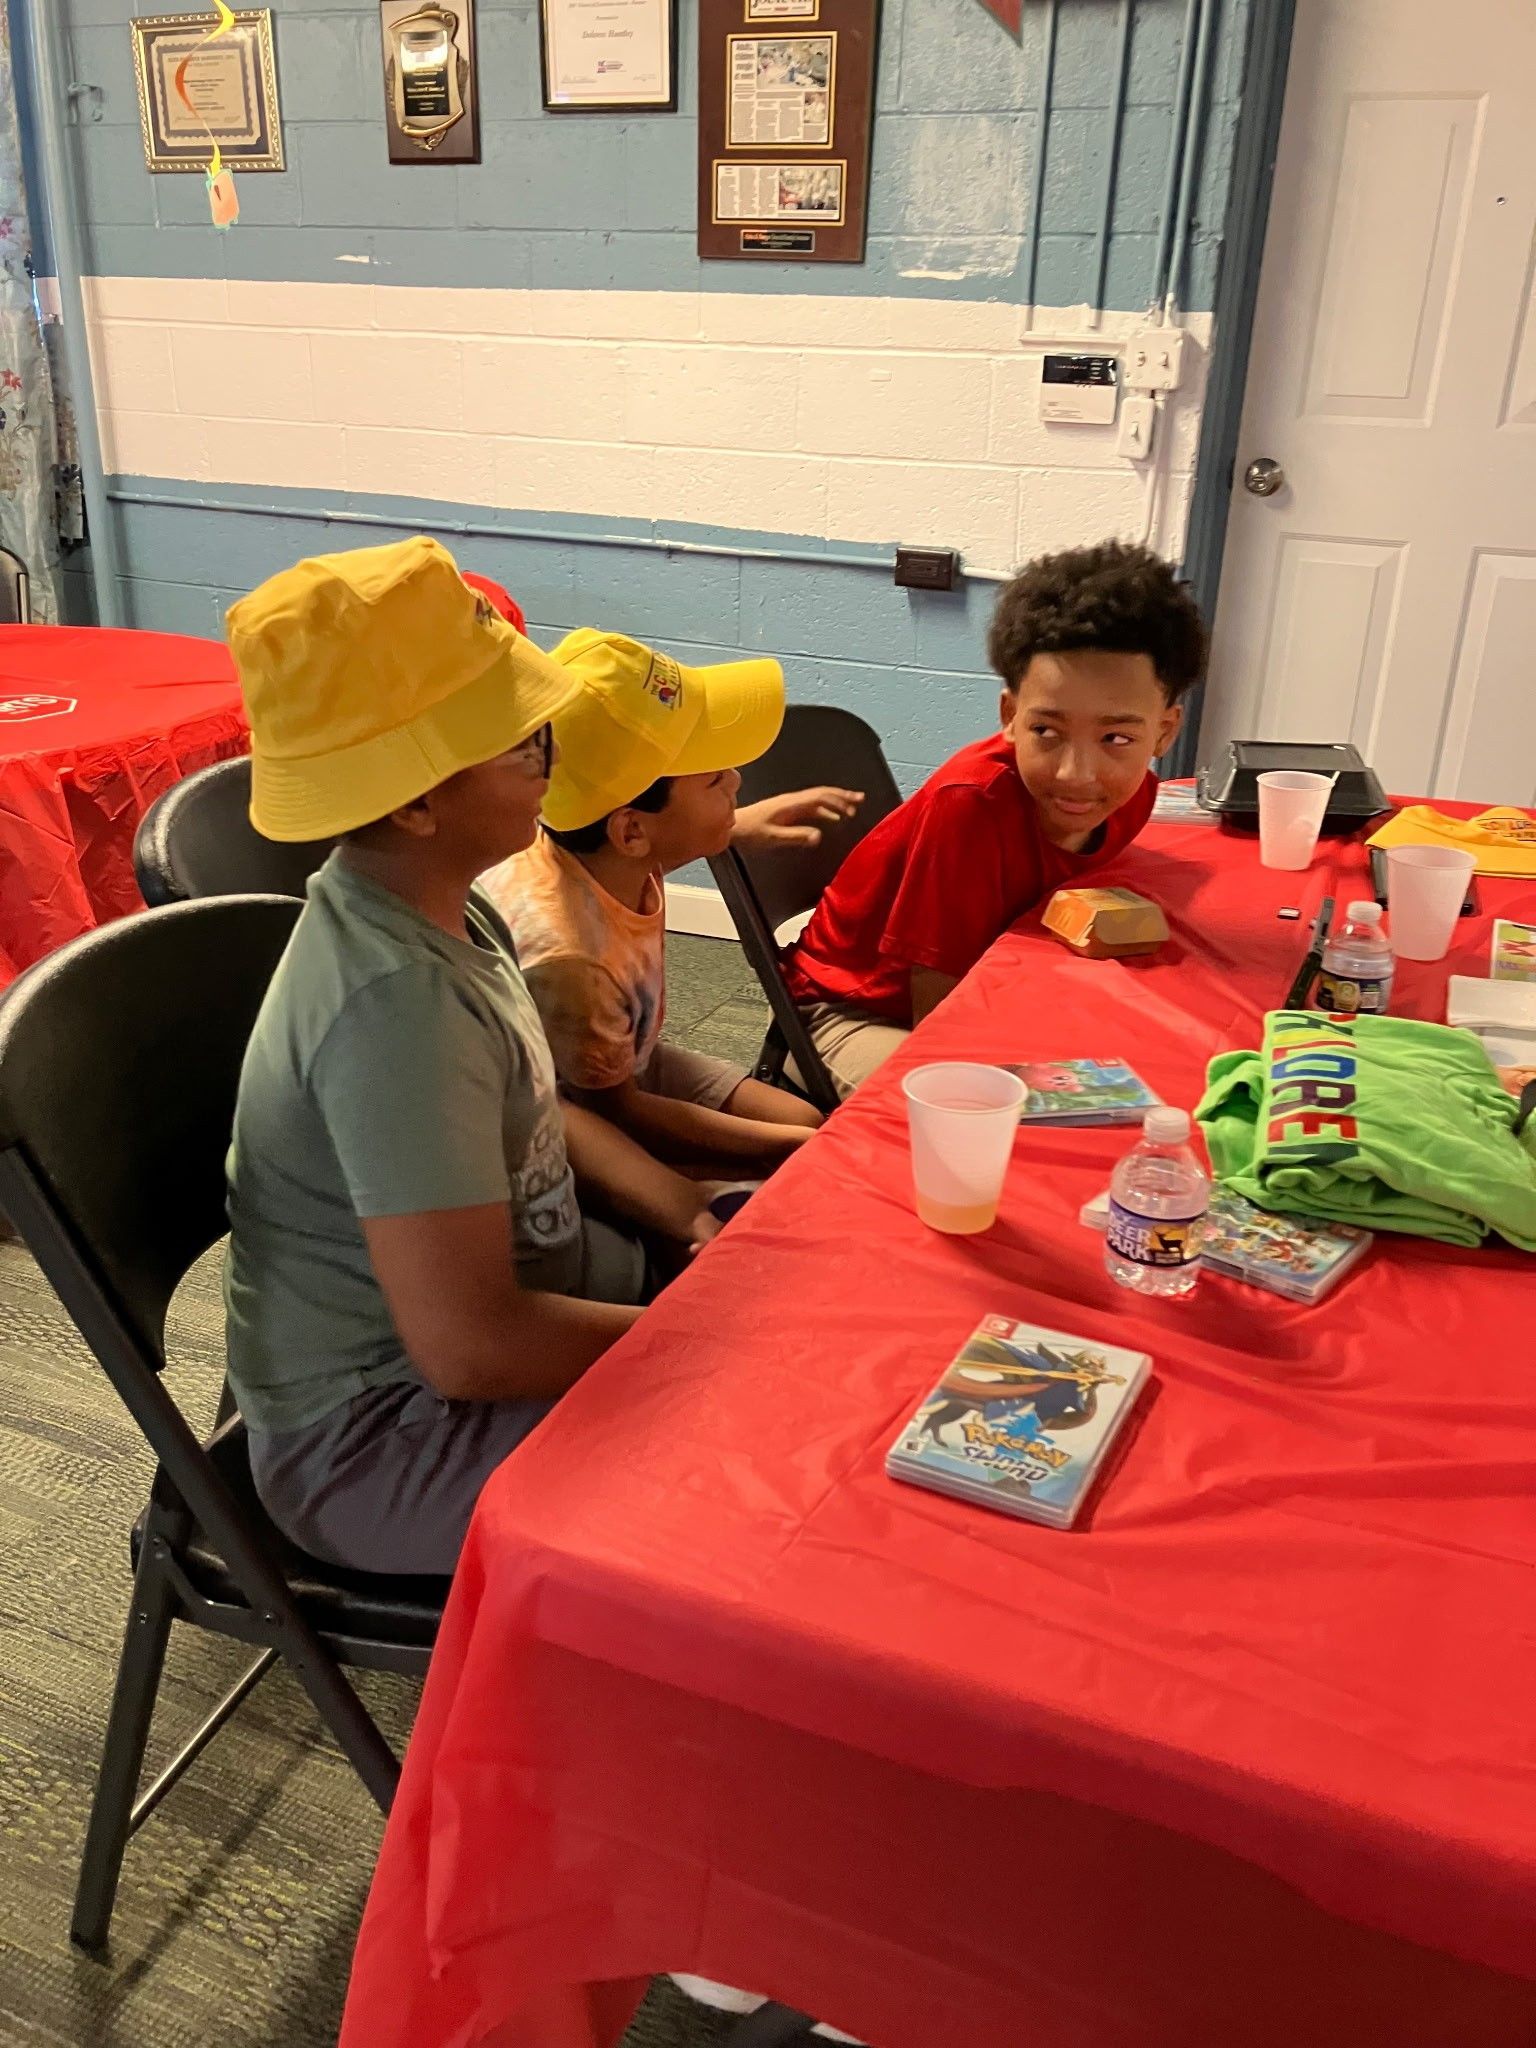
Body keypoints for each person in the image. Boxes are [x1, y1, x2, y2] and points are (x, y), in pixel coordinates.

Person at [222, 538, 721, 1576]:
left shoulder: (450, 909)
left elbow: (551, 1115)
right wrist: (703, 1338)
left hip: (544, 1313)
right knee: (757, 1467)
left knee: (811, 1265)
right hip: (387, 1439)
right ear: (414, 798)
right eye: (527, 742)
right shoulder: (394, 1005)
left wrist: (688, 1209)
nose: (552, 759)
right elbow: (470, 1347)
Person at [783, 540, 1208, 1096]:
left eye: (1117, 738)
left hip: (993, 985)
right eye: (1047, 733)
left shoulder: (1137, 798)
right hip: (853, 1014)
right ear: (1010, 715)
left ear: (1165, 732)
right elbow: (935, 1006)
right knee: (999, 1113)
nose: (1077, 774)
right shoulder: (971, 807)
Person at [480, 628, 861, 1171]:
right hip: (576, 1114)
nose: (736, 779)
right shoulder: (571, 962)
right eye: (712, 779)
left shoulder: (596, 845)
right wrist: (787, 1149)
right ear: (632, 830)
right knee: (795, 1153)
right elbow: (617, 1113)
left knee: (804, 1122)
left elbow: (651, 846)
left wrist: (737, 825)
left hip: (625, 1059)